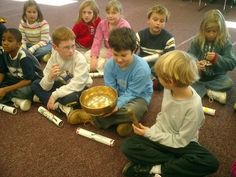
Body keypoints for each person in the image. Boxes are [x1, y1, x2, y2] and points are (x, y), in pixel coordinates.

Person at [121, 50, 219, 177]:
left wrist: (149, 134)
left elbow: (180, 142)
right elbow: (164, 115)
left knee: (210, 162)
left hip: (181, 143)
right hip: (163, 136)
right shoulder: (169, 90)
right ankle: (176, 165)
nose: (157, 78)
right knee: (128, 146)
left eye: (159, 76)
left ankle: (154, 169)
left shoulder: (194, 106)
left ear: (170, 81)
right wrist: (151, 132)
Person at [71, 27, 153, 137]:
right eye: (115, 54)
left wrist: (117, 105)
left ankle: (92, 118)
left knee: (133, 110)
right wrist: (111, 105)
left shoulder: (142, 69)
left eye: (124, 55)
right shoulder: (109, 64)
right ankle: (123, 122)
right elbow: (110, 88)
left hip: (139, 97)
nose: (119, 59)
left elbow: (132, 93)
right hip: (118, 93)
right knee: (104, 101)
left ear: (133, 50)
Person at [31, 26, 92, 123]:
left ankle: (50, 101)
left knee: (71, 97)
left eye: (73, 45)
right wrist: (50, 78)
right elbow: (45, 86)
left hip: (80, 88)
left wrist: (54, 95)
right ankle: (62, 108)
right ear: (55, 47)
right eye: (66, 47)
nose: (71, 50)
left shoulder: (79, 59)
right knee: (35, 84)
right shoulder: (54, 57)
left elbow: (78, 84)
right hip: (63, 85)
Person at [188, 9, 236, 104]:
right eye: (208, 31)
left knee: (228, 83)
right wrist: (195, 64)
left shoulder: (225, 42)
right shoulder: (197, 40)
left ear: (221, 30)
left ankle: (200, 90)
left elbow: (231, 63)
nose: (211, 34)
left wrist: (217, 58)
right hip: (199, 76)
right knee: (182, 77)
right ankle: (211, 92)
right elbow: (189, 57)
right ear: (202, 29)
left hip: (217, 77)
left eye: (214, 31)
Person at [0, 28, 42, 111]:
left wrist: (5, 89)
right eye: (3, 40)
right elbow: (2, 72)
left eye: (10, 41)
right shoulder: (4, 52)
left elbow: (28, 80)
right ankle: (16, 98)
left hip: (33, 80)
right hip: (16, 77)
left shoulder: (24, 57)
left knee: (25, 92)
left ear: (19, 44)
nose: (5, 43)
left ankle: (14, 99)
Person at [85, 0, 131, 74]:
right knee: (87, 54)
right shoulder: (102, 24)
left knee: (109, 64)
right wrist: (94, 57)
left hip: (119, 52)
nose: (110, 16)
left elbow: (120, 47)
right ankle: (97, 67)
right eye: (108, 13)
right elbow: (97, 40)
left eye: (113, 13)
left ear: (120, 14)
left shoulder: (124, 26)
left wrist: (108, 58)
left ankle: (92, 67)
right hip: (108, 49)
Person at [137, 5, 175, 91]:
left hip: (158, 64)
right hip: (143, 61)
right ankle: (149, 79)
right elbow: (131, 50)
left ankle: (148, 80)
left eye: (162, 21)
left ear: (165, 23)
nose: (158, 23)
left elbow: (169, 57)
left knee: (166, 69)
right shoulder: (140, 34)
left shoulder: (169, 38)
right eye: (155, 19)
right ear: (148, 20)